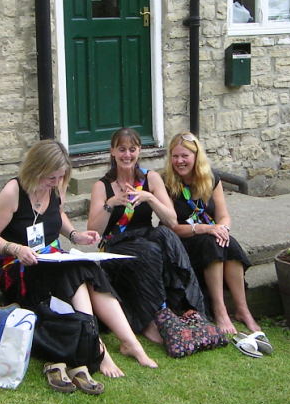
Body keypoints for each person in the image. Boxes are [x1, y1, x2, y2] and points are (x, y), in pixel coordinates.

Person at [0, 139, 157, 377]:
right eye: (50, 178)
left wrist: (76, 235)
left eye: (59, 177)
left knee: (87, 267)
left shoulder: (57, 185)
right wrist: (16, 249)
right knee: (74, 271)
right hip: (19, 265)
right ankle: (98, 348)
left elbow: (58, 214)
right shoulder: (13, 192)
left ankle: (129, 343)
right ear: (36, 170)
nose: (55, 183)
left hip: (50, 258)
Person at [87, 128, 205, 343]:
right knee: (150, 250)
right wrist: (110, 204)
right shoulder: (101, 186)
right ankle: (150, 321)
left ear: (139, 151)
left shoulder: (151, 178)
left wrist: (149, 197)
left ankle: (190, 307)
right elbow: (95, 231)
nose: (127, 155)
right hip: (116, 244)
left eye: (132, 149)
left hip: (145, 235)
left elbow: (171, 220)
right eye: (122, 149)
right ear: (112, 151)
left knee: (167, 236)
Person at [164, 131, 268, 342]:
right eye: (175, 156)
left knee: (228, 244)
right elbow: (172, 227)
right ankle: (220, 310)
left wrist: (222, 229)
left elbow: (223, 215)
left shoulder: (211, 179)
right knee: (213, 243)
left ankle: (242, 309)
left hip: (209, 234)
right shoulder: (167, 183)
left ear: (196, 156)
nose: (179, 161)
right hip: (183, 240)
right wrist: (206, 229)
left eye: (185, 156)